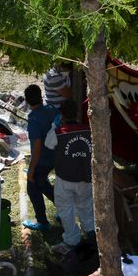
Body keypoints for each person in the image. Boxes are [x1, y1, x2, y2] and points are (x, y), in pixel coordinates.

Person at [45, 99, 94, 254]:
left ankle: (72, 241)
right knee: (86, 206)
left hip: (65, 178)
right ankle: (91, 233)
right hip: (86, 177)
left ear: (62, 115)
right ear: (78, 113)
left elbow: (48, 144)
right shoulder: (89, 130)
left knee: (66, 210)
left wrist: (54, 126)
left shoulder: (58, 133)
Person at [23, 84, 59, 231]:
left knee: (32, 187)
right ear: (41, 96)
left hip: (43, 160)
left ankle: (42, 222)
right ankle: (63, 210)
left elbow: (37, 148)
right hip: (56, 157)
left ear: (26, 101)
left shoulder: (33, 119)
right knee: (42, 183)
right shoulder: (52, 110)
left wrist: (31, 170)